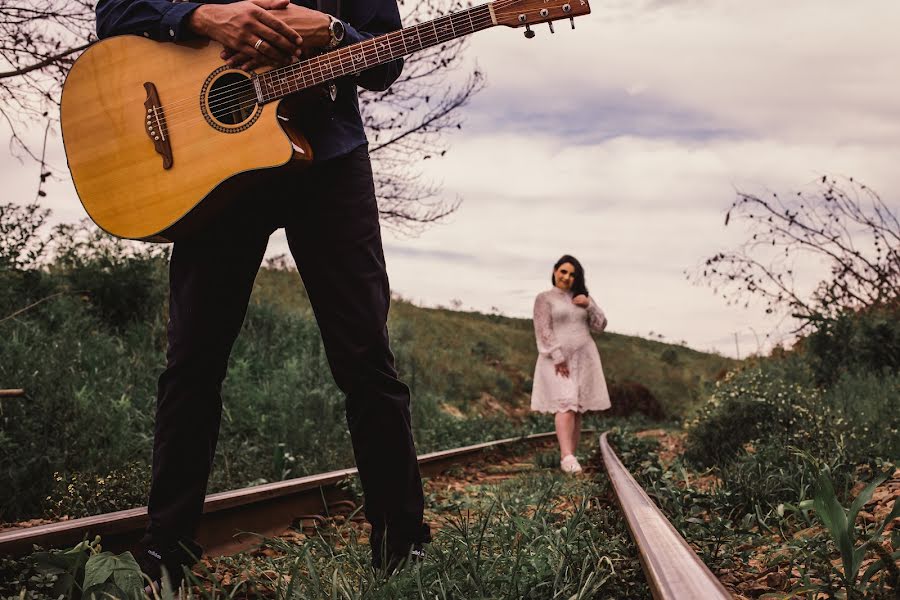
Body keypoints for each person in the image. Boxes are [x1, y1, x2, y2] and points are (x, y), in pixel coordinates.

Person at [94, 0, 430, 589]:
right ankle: (165, 553)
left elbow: (385, 61)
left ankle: (401, 551)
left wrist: (331, 30)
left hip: (327, 161)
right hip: (211, 161)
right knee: (192, 362)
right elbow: (115, 10)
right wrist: (201, 17)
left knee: (366, 362)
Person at [530, 255, 611, 473]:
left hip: (584, 357)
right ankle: (566, 457)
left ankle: (570, 456)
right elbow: (543, 329)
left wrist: (590, 305)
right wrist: (558, 357)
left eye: (572, 274)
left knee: (576, 407)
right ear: (555, 271)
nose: (567, 277)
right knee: (565, 402)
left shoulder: (582, 298)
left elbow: (600, 325)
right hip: (555, 359)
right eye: (563, 271)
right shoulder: (544, 298)